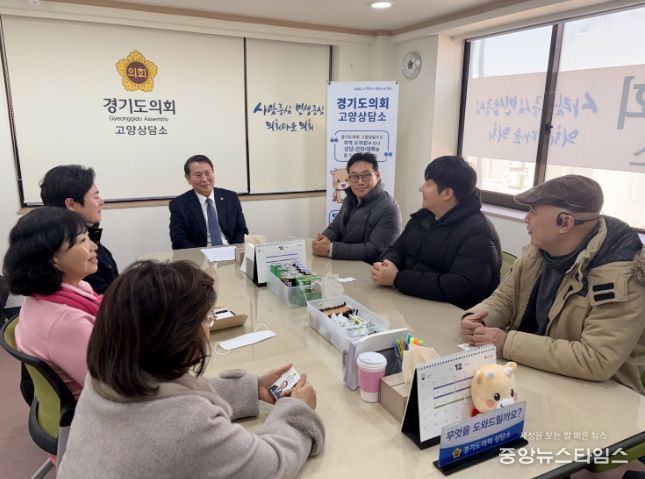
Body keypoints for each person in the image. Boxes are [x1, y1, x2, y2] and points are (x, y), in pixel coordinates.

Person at [58, 260, 324, 478]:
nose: (208, 328)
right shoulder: (187, 425)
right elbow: (272, 465)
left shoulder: (104, 376)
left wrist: (249, 388)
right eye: (206, 318)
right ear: (175, 336)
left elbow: (162, 392)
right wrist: (297, 411)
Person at [461, 175, 645, 393]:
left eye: (533, 211)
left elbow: (596, 359)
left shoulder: (622, 277)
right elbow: (505, 298)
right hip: (533, 371)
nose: (526, 219)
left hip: (598, 395)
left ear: (565, 223)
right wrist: (478, 318)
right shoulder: (541, 249)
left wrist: (508, 343)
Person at [371, 156, 501, 309]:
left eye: (428, 184)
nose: (421, 188)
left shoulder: (478, 232)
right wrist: (389, 263)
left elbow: (461, 287)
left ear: (447, 193)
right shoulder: (424, 217)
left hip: (451, 313)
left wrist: (398, 278)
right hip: (411, 301)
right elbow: (397, 250)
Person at [3, 207, 101, 399]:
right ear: (53, 258)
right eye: (82, 240)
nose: (93, 246)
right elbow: (115, 386)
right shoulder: (65, 321)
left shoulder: (48, 295)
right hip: (96, 407)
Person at [40, 164, 118, 294]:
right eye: (96, 196)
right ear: (71, 204)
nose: (101, 201)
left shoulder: (86, 235)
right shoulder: (73, 255)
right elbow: (107, 298)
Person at [313, 152, 402, 263]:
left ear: (377, 175)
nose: (360, 182)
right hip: (344, 264)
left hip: (368, 270)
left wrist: (331, 249)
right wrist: (322, 240)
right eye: (354, 176)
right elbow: (335, 228)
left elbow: (375, 249)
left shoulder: (390, 209)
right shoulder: (350, 199)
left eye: (366, 175)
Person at [169, 154, 248, 249]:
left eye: (207, 173)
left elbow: (241, 231)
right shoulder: (178, 204)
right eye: (198, 175)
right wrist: (201, 255)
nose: (204, 179)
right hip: (199, 254)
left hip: (230, 251)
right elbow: (178, 239)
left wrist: (234, 251)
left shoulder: (231, 197)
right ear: (188, 178)